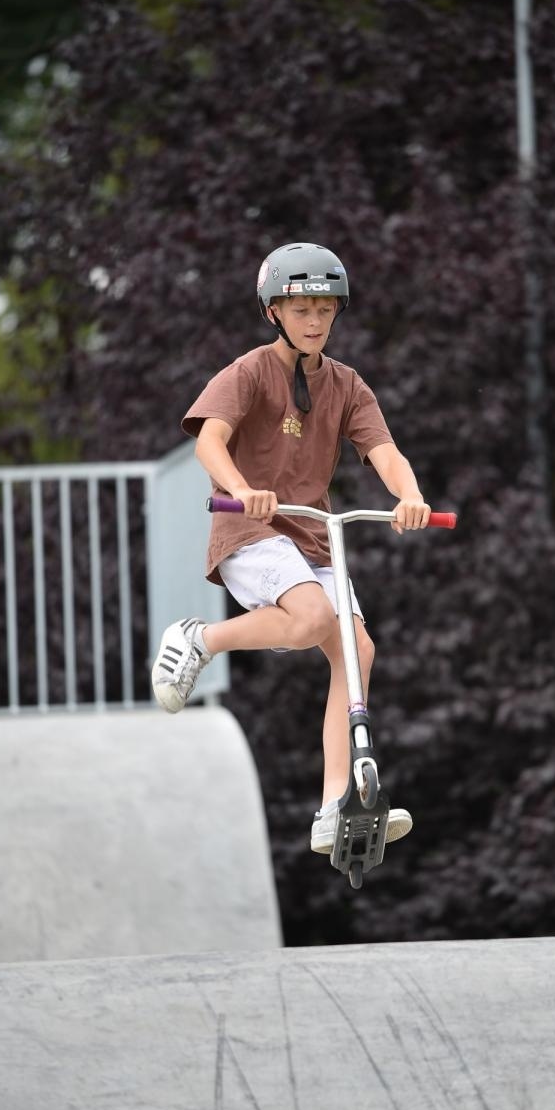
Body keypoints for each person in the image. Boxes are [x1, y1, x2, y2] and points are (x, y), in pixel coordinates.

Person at [151, 242, 430, 854]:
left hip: (312, 536)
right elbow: (209, 442)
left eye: (327, 307)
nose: (316, 320)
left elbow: (385, 453)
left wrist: (410, 496)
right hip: (250, 530)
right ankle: (200, 639)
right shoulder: (248, 372)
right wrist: (242, 488)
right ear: (273, 310)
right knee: (310, 618)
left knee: (356, 648)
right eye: (302, 306)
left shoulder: (348, 385)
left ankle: (333, 806)